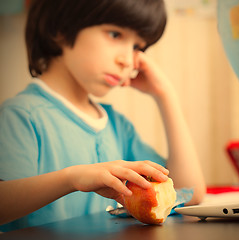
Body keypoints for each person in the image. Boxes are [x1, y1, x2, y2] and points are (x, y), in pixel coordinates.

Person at [0, 0, 206, 232]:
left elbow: (190, 193)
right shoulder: (21, 116)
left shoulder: (117, 126)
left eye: (138, 47)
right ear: (60, 28)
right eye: (115, 34)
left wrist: (165, 95)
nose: (128, 61)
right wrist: (72, 178)